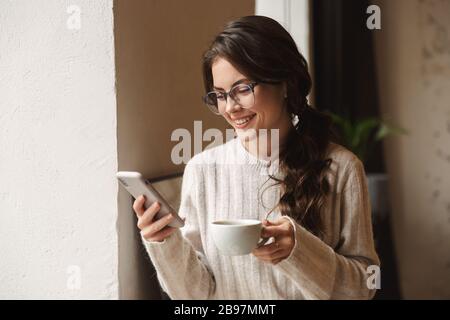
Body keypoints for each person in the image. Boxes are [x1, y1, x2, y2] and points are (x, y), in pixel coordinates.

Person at [133, 15, 380, 300]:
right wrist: (164, 241)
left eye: (243, 89)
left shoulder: (343, 168)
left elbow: (366, 286)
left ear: (285, 83)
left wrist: (299, 251)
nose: (231, 108)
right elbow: (193, 295)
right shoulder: (202, 170)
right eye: (221, 95)